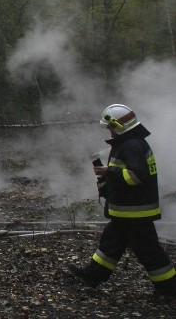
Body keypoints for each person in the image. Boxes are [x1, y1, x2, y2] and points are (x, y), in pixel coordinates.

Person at [67, 104, 176, 298]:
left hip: (135, 212)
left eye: (110, 127)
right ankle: (93, 276)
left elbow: (138, 176)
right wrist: (106, 181)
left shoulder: (132, 146)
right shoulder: (129, 144)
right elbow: (125, 177)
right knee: (111, 244)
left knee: (149, 252)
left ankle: (170, 289)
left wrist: (110, 171)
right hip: (127, 211)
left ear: (118, 125)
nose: (109, 130)